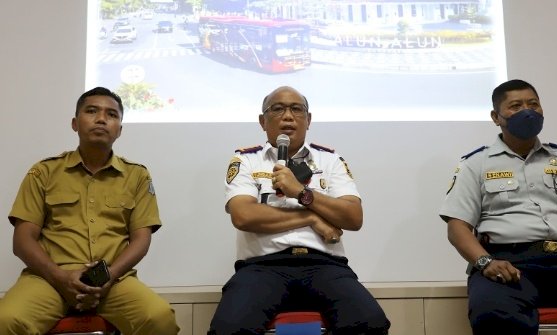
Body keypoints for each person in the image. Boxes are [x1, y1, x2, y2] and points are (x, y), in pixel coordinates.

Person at [209, 86, 390, 335]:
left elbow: (353, 217)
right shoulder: (247, 160)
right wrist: (311, 217)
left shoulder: (330, 160)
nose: (287, 116)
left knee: (370, 322)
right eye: (277, 109)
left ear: (308, 119)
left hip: (325, 264)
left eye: (296, 109)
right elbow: (244, 216)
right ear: (263, 121)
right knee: (228, 329)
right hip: (262, 266)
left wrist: (302, 194)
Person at [0, 87, 179, 334]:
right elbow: (22, 240)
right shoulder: (44, 172)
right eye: (92, 111)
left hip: (114, 282)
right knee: (7, 320)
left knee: (159, 318)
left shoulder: (137, 175)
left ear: (119, 129)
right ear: (75, 123)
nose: (102, 119)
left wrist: (108, 277)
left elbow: (141, 239)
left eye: (112, 115)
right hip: (48, 279)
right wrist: (59, 278)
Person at [439, 79, 557, 335]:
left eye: (533, 104)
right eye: (516, 105)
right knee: (493, 313)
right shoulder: (476, 164)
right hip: (510, 266)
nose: (527, 111)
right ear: (496, 116)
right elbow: (457, 228)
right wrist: (485, 262)